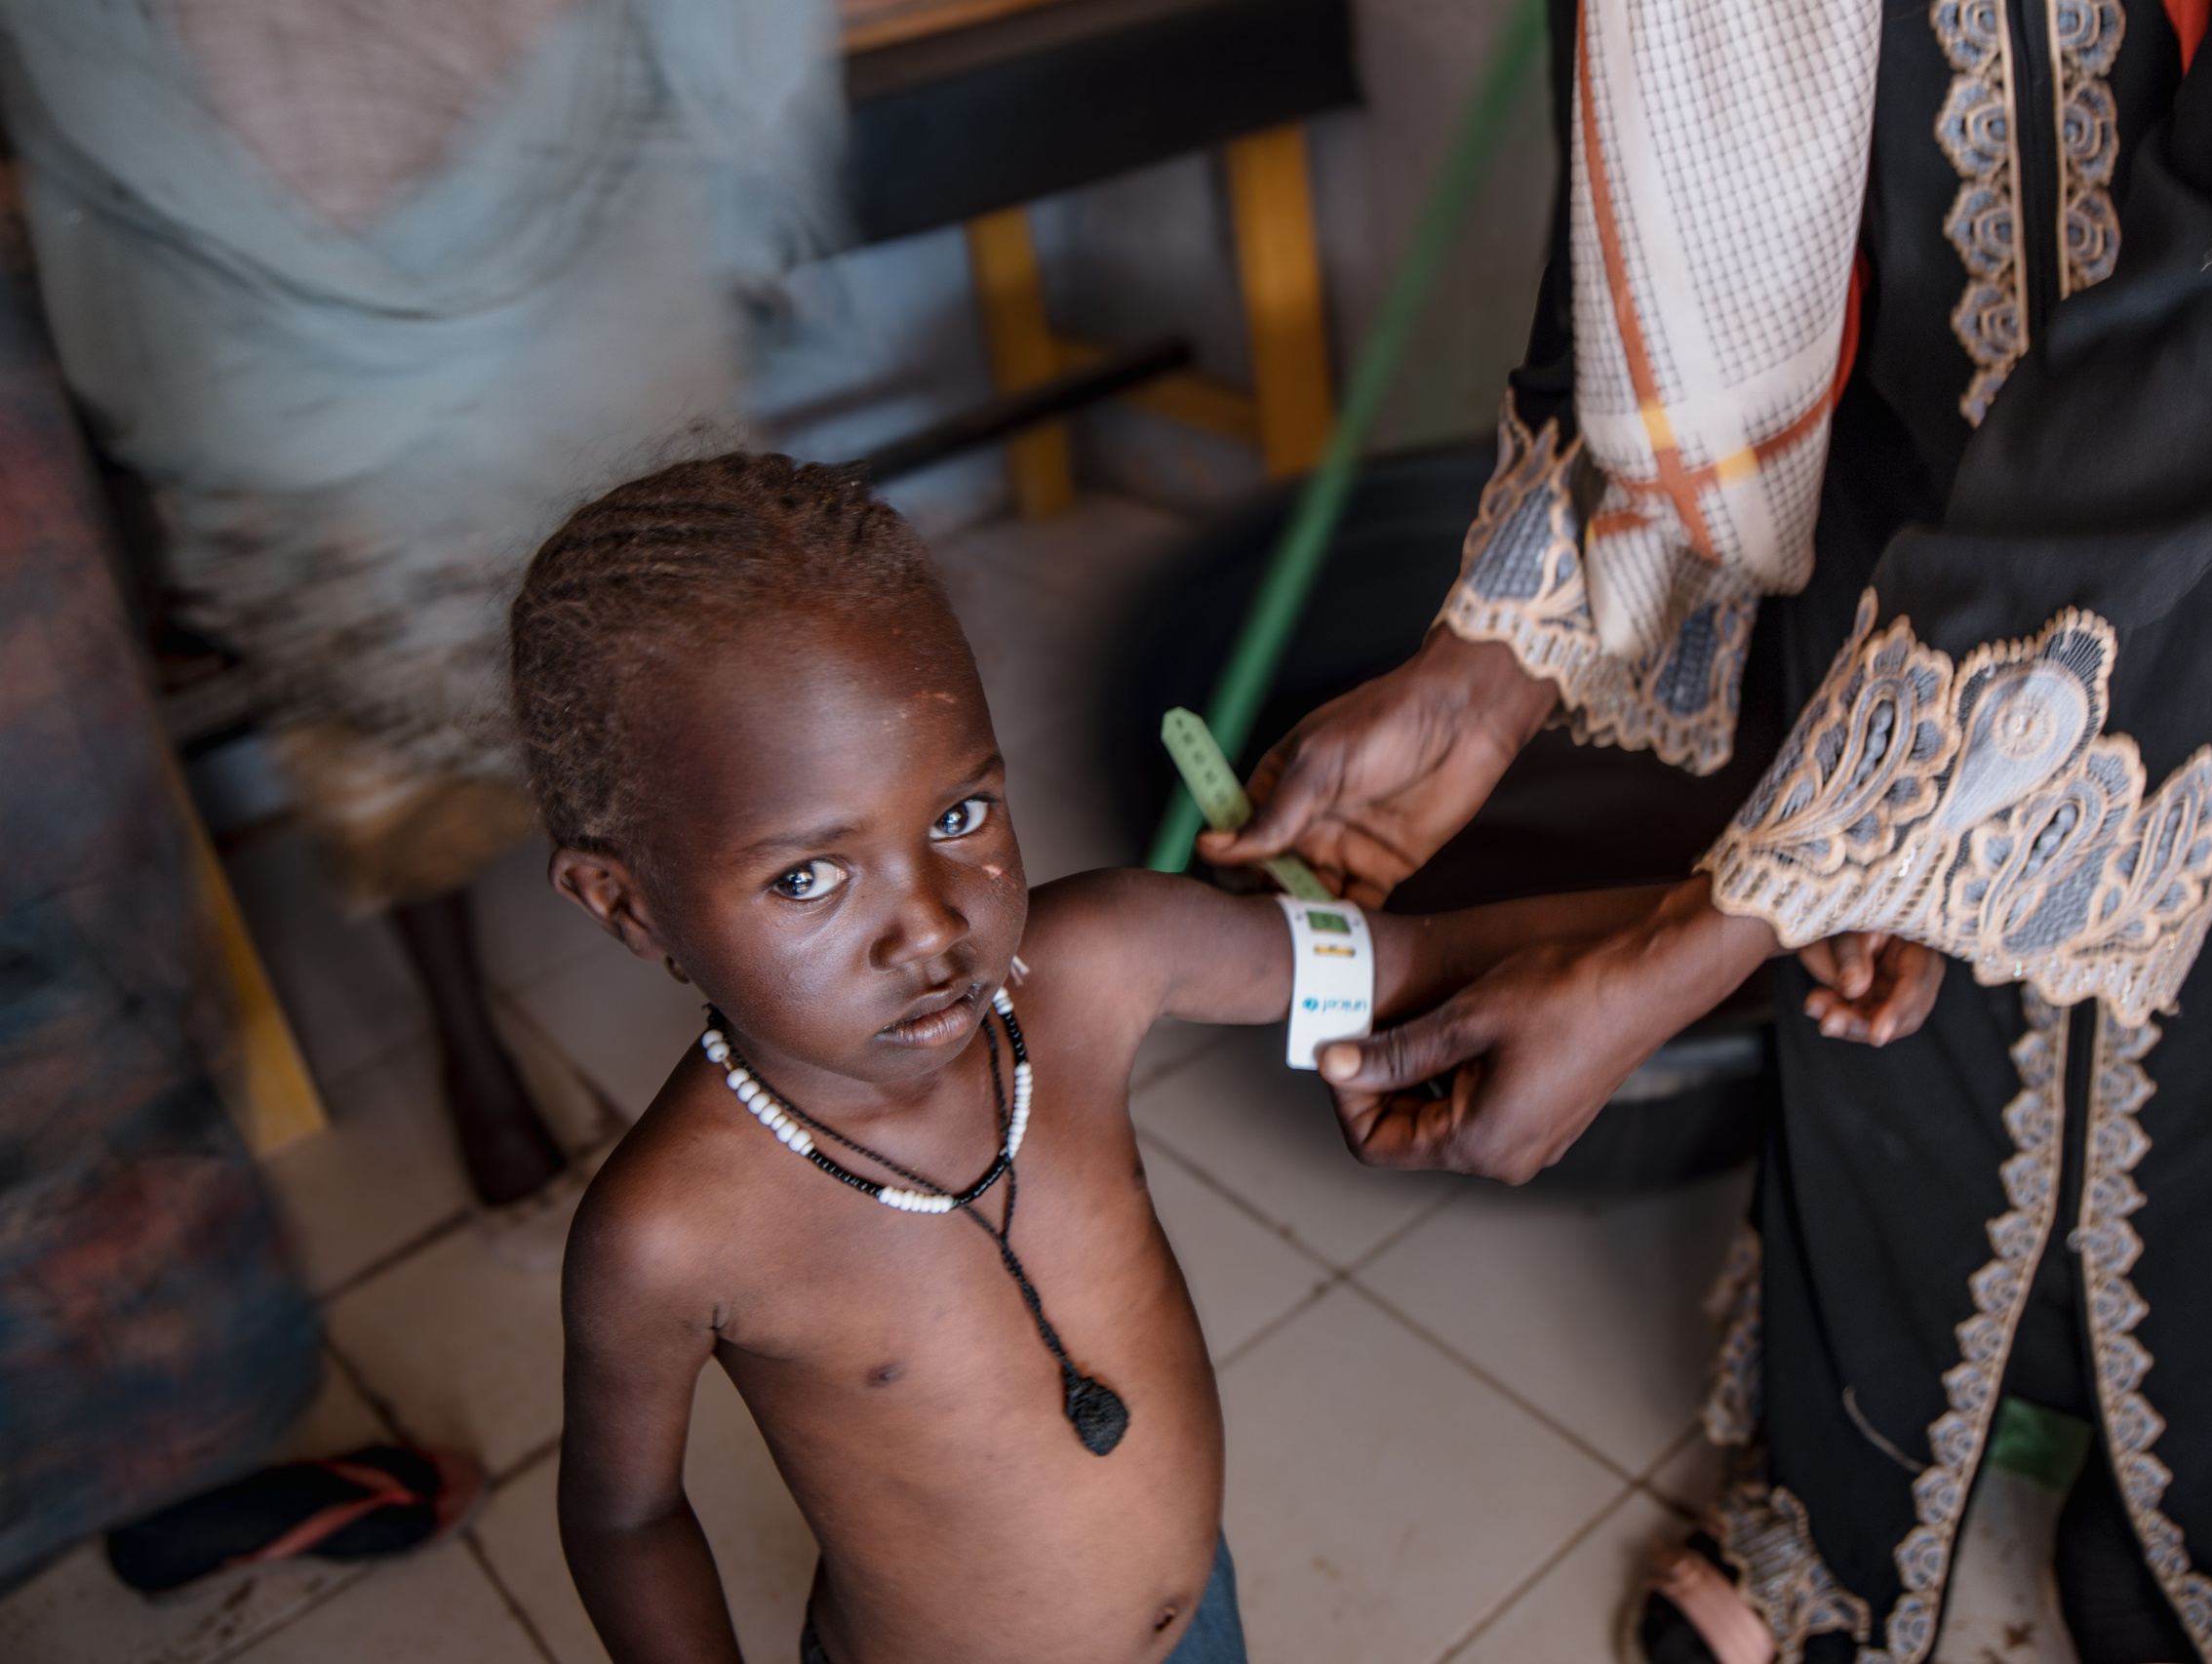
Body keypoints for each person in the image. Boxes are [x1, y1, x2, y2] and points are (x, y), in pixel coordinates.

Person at [1205, 1, 2212, 1659]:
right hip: (1910, 395)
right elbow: (1677, 128)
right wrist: (1493, 665)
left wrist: (1703, 931)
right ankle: (1841, 1505)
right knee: (1885, 1033)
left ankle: (2202, 1541)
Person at [508, 455, 1823, 1664]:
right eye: (807, 876)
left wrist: (1754, 921)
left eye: (961, 813)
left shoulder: (1098, 960)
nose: (930, 924)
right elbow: (627, 1520)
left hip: (1202, 1614)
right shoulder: (672, 1231)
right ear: (627, 906)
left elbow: (1432, 954)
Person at [0, 0, 836, 1205]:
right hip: (363, 180)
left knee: (659, 639)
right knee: (545, 663)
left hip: (395, 219)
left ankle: (658, 1010)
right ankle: (491, 1042)